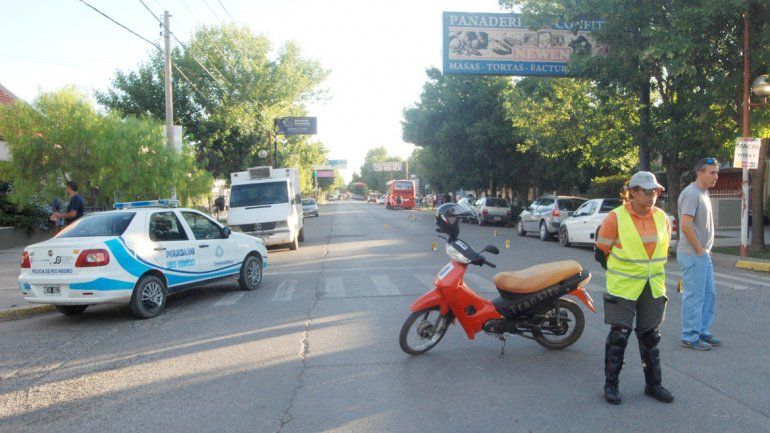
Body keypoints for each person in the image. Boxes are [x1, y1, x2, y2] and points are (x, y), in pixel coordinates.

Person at [594, 171, 674, 405]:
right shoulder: (615, 218)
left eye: (656, 192)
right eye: (648, 192)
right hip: (624, 287)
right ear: (634, 192)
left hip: (653, 286)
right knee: (619, 336)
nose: (653, 197)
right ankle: (611, 385)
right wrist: (623, 272)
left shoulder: (662, 218)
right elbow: (601, 253)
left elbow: (664, 250)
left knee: (650, 337)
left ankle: (653, 385)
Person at [678, 158, 720, 350]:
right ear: (700, 173)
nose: (716, 176)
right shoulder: (692, 193)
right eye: (712, 172)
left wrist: (705, 251)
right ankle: (689, 336)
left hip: (702, 254)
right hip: (692, 254)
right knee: (694, 296)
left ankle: (702, 330)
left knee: (708, 294)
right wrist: (699, 250)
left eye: (717, 172)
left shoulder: (703, 193)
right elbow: (686, 224)